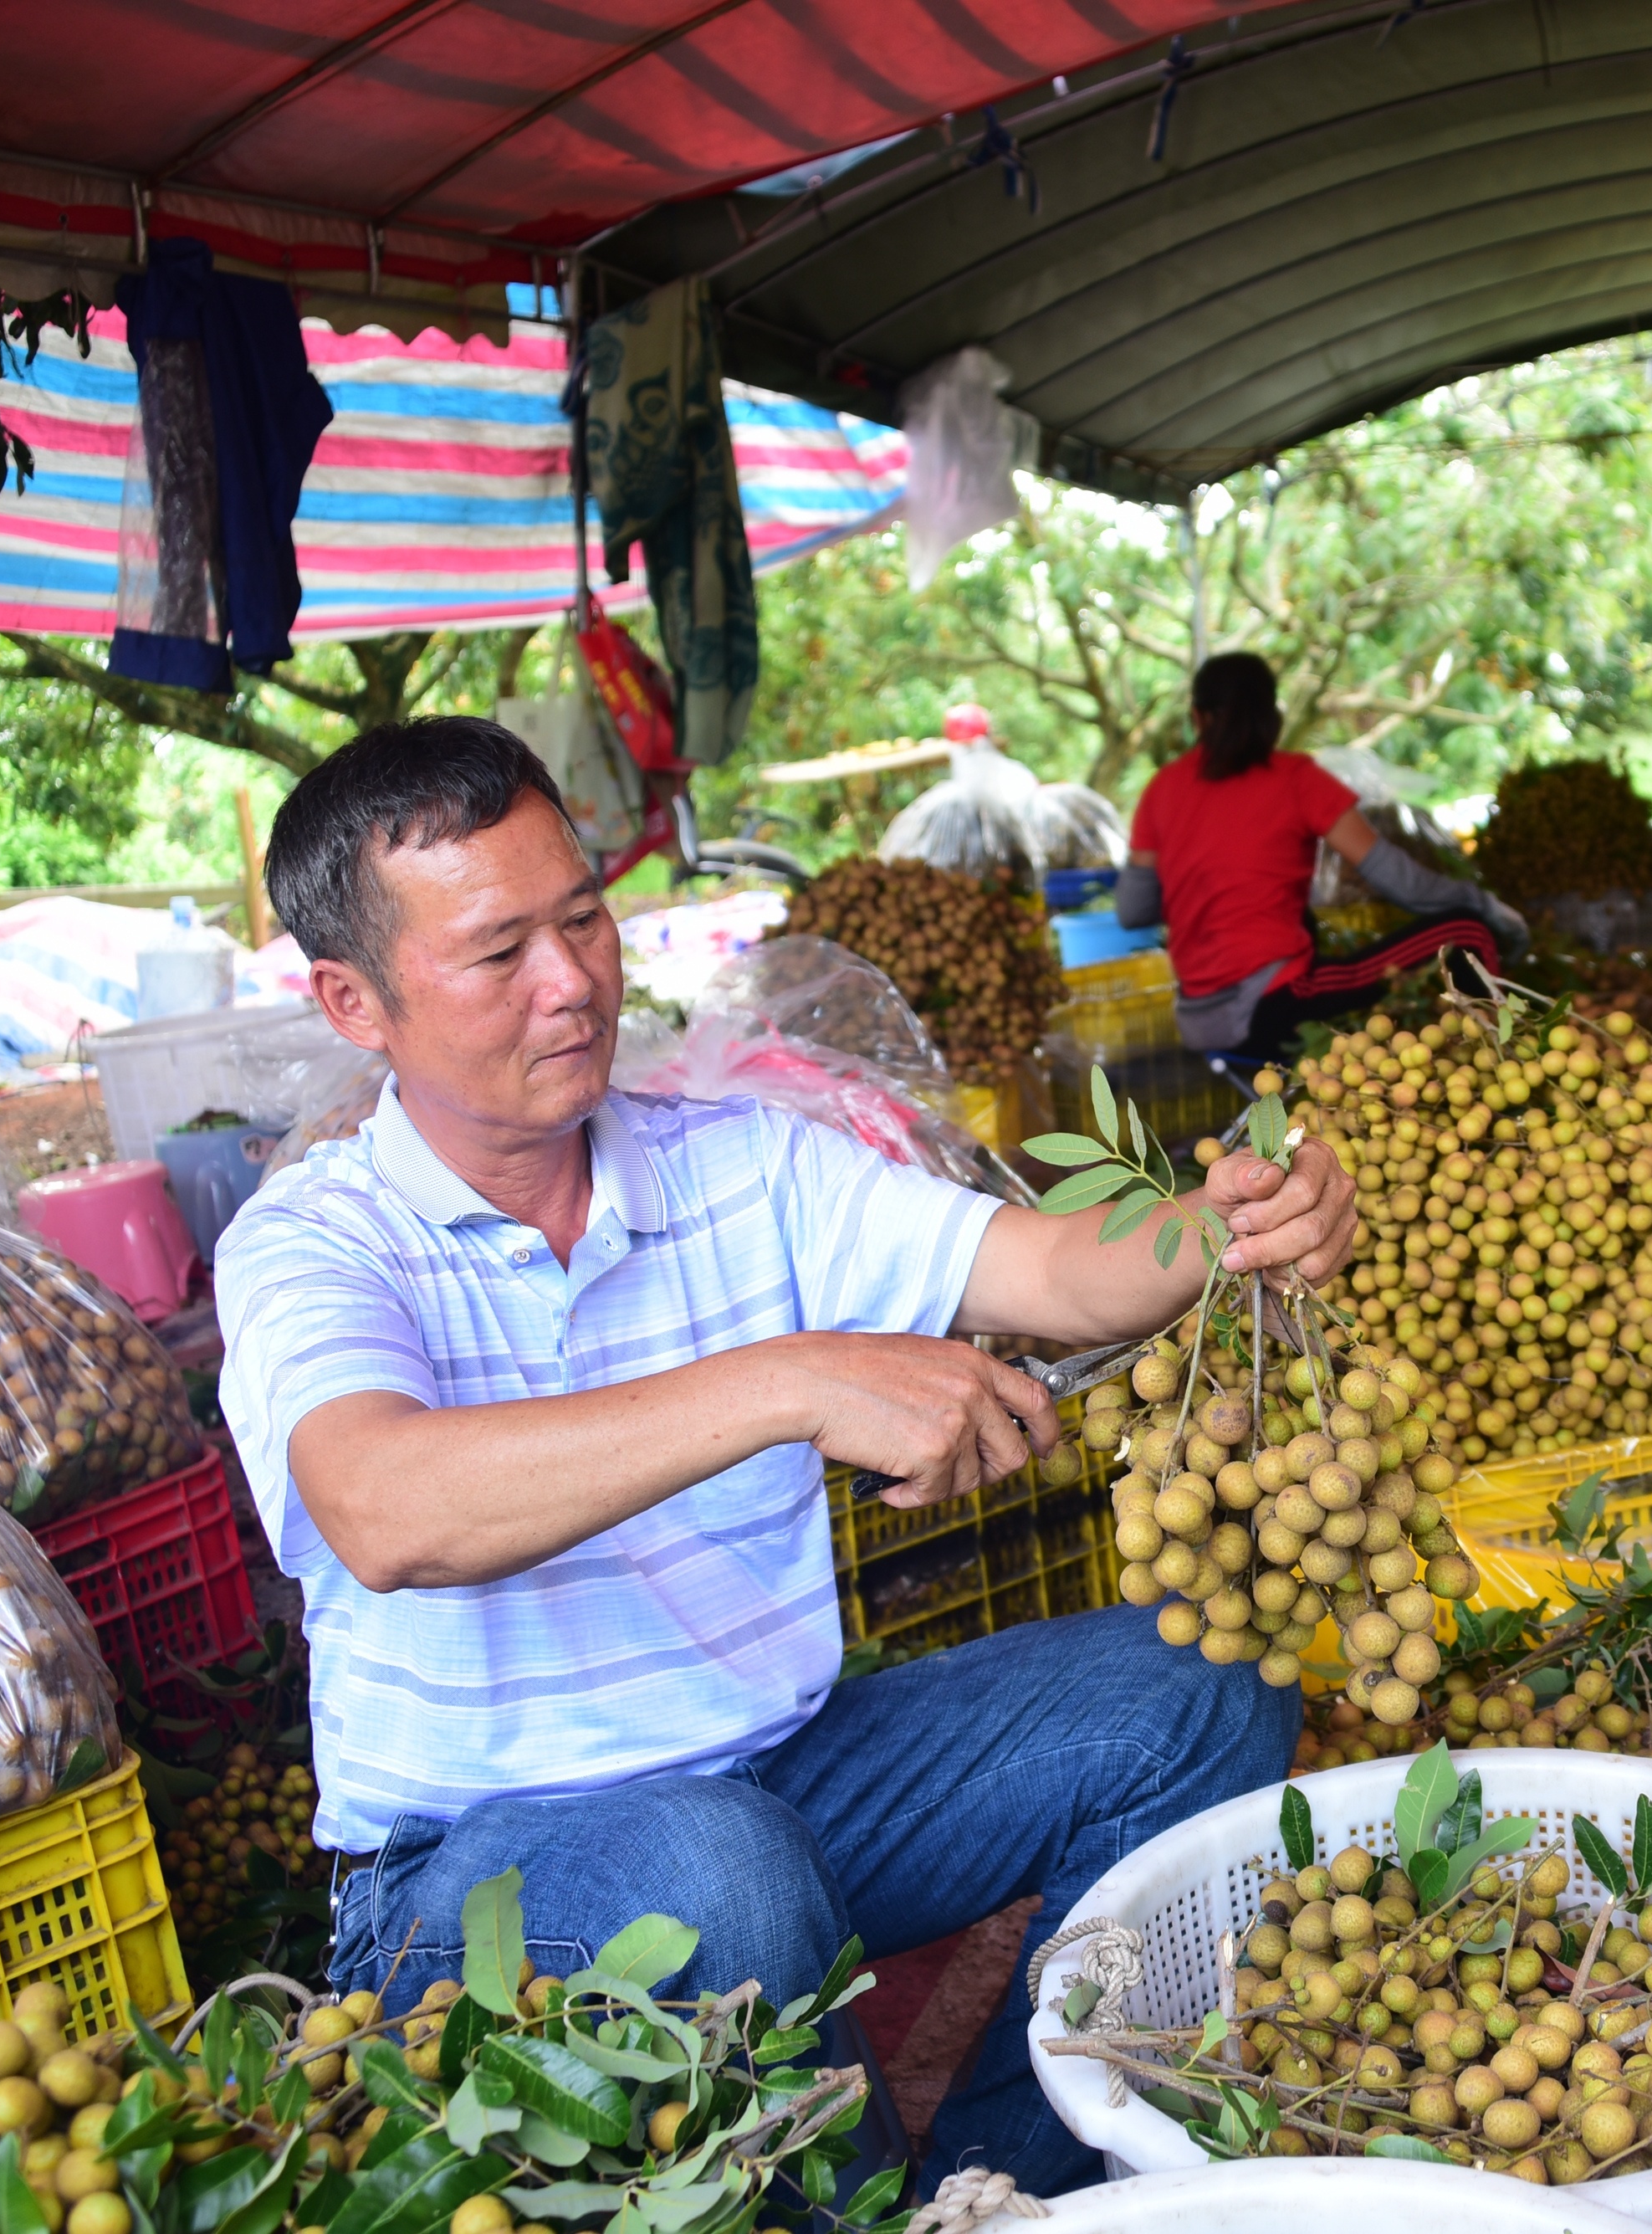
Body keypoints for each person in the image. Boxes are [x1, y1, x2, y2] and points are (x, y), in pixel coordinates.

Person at [215, 717, 1360, 2201]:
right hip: (474, 1879)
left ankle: (1017, 2189)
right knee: (712, 1869)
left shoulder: (741, 1165)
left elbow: (1053, 1272)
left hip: (783, 1782)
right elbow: (385, 1507)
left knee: (1206, 1687)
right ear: (354, 1003)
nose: (573, 983)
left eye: (585, 919)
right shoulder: (316, 1244)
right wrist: (790, 1382)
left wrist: (1235, 1227)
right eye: (500, 955)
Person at [1118, 652, 1526, 1066]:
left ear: (1198, 717)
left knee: (1306, 924)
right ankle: (1508, 1062)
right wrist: (1486, 904)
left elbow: (1133, 911)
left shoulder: (1162, 789)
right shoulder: (1295, 778)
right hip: (1269, 1009)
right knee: (1469, 931)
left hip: (1196, 1018)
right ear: (1271, 716)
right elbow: (1404, 885)